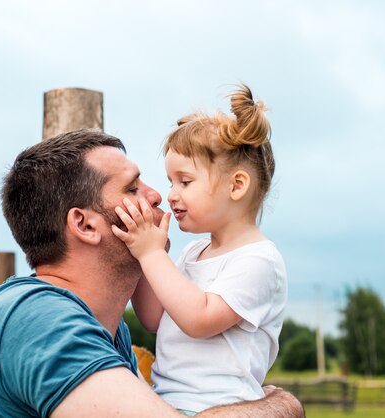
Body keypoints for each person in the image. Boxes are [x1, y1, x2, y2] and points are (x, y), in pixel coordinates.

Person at [0, 128, 304, 417]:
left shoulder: (108, 330)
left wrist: (153, 256)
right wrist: (281, 408)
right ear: (85, 224)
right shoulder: (35, 318)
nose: (158, 198)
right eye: (133, 188)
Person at [112, 85, 287, 415]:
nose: (171, 195)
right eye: (170, 181)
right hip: (167, 403)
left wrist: (152, 255)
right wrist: (142, 251)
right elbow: (153, 317)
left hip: (219, 408)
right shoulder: (194, 252)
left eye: (185, 182)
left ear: (236, 186)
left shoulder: (259, 260)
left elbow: (199, 318)